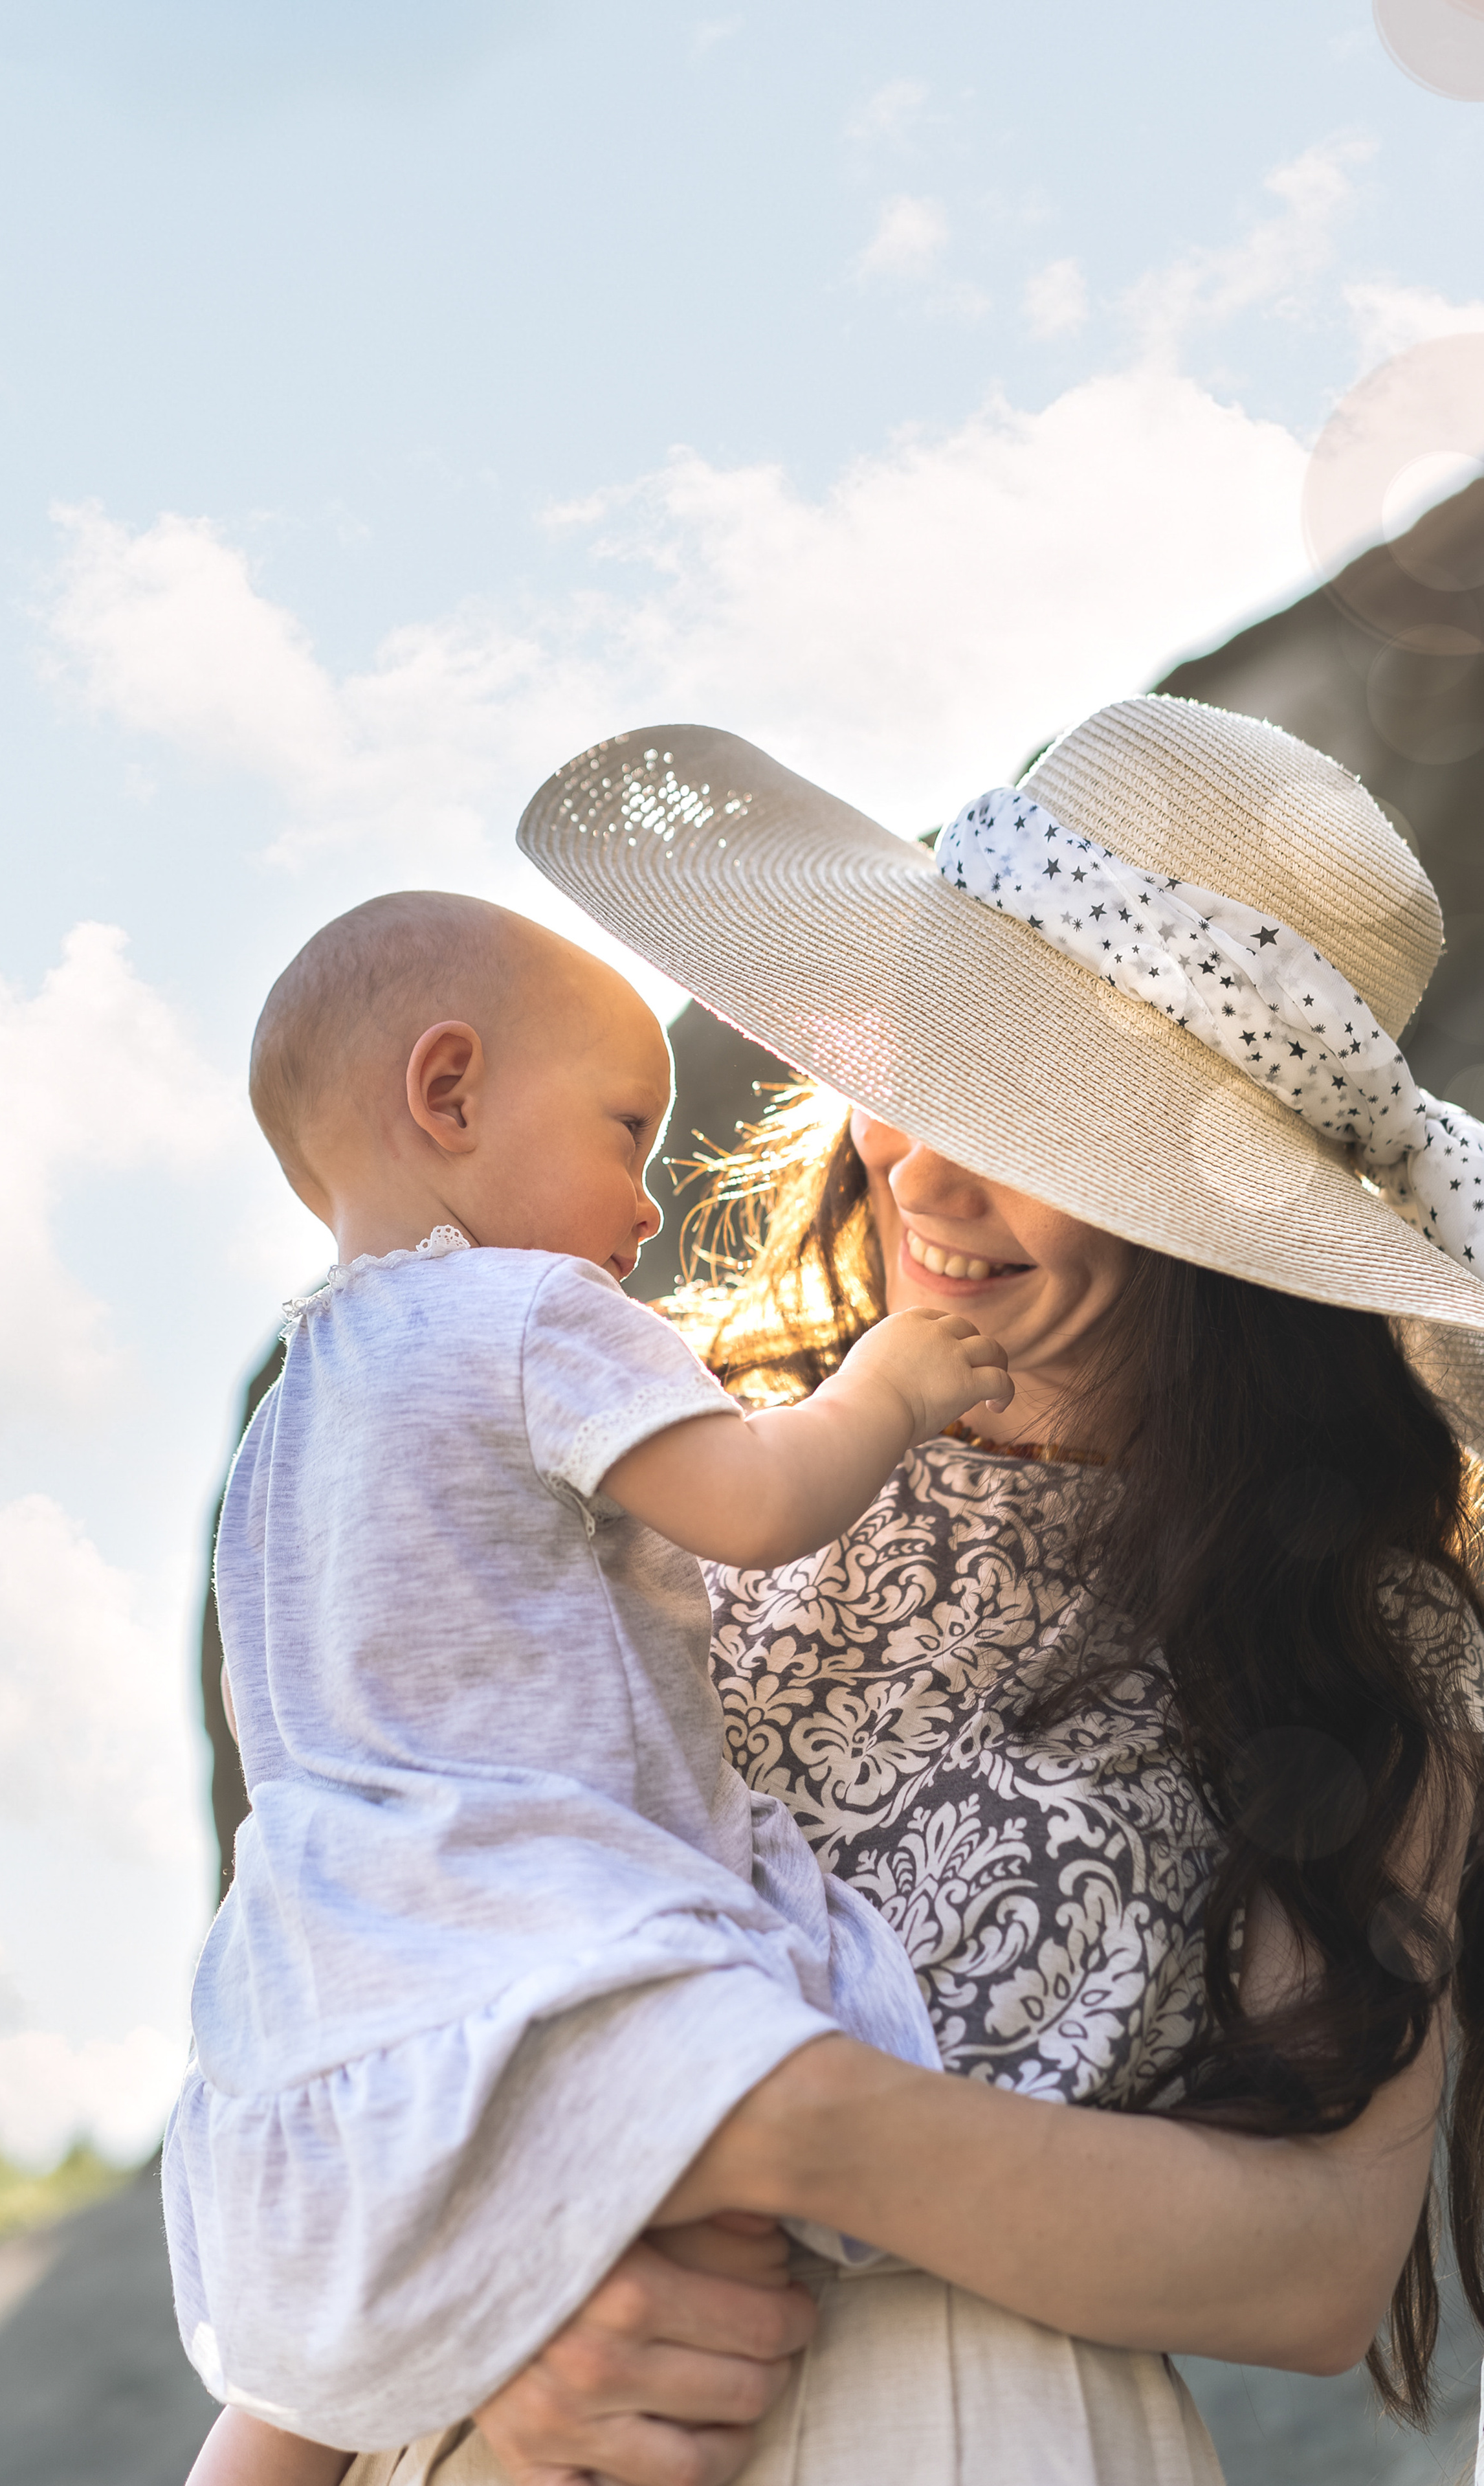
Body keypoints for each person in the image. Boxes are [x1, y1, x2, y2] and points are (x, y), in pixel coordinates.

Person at [338, 697, 1484, 2485]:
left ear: (1220, 1214)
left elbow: (1323, 2266)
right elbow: (373, 1913)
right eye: (932, 1073)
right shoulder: (658, 1437)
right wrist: (477, 2322)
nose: (928, 1171)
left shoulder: (1359, 1627)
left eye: (1048, 1121)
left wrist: (793, 2131)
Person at [170, 889, 1030, 2483]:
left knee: (299, 2378)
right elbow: (754, 1504)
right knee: (705, 2227)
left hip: (329, 1944)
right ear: (450, 1095)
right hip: (538, 1897)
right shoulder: (531, 1315)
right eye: (627, 1130)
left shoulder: (296, 1408)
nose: (643, 1205)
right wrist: (887, 1387)